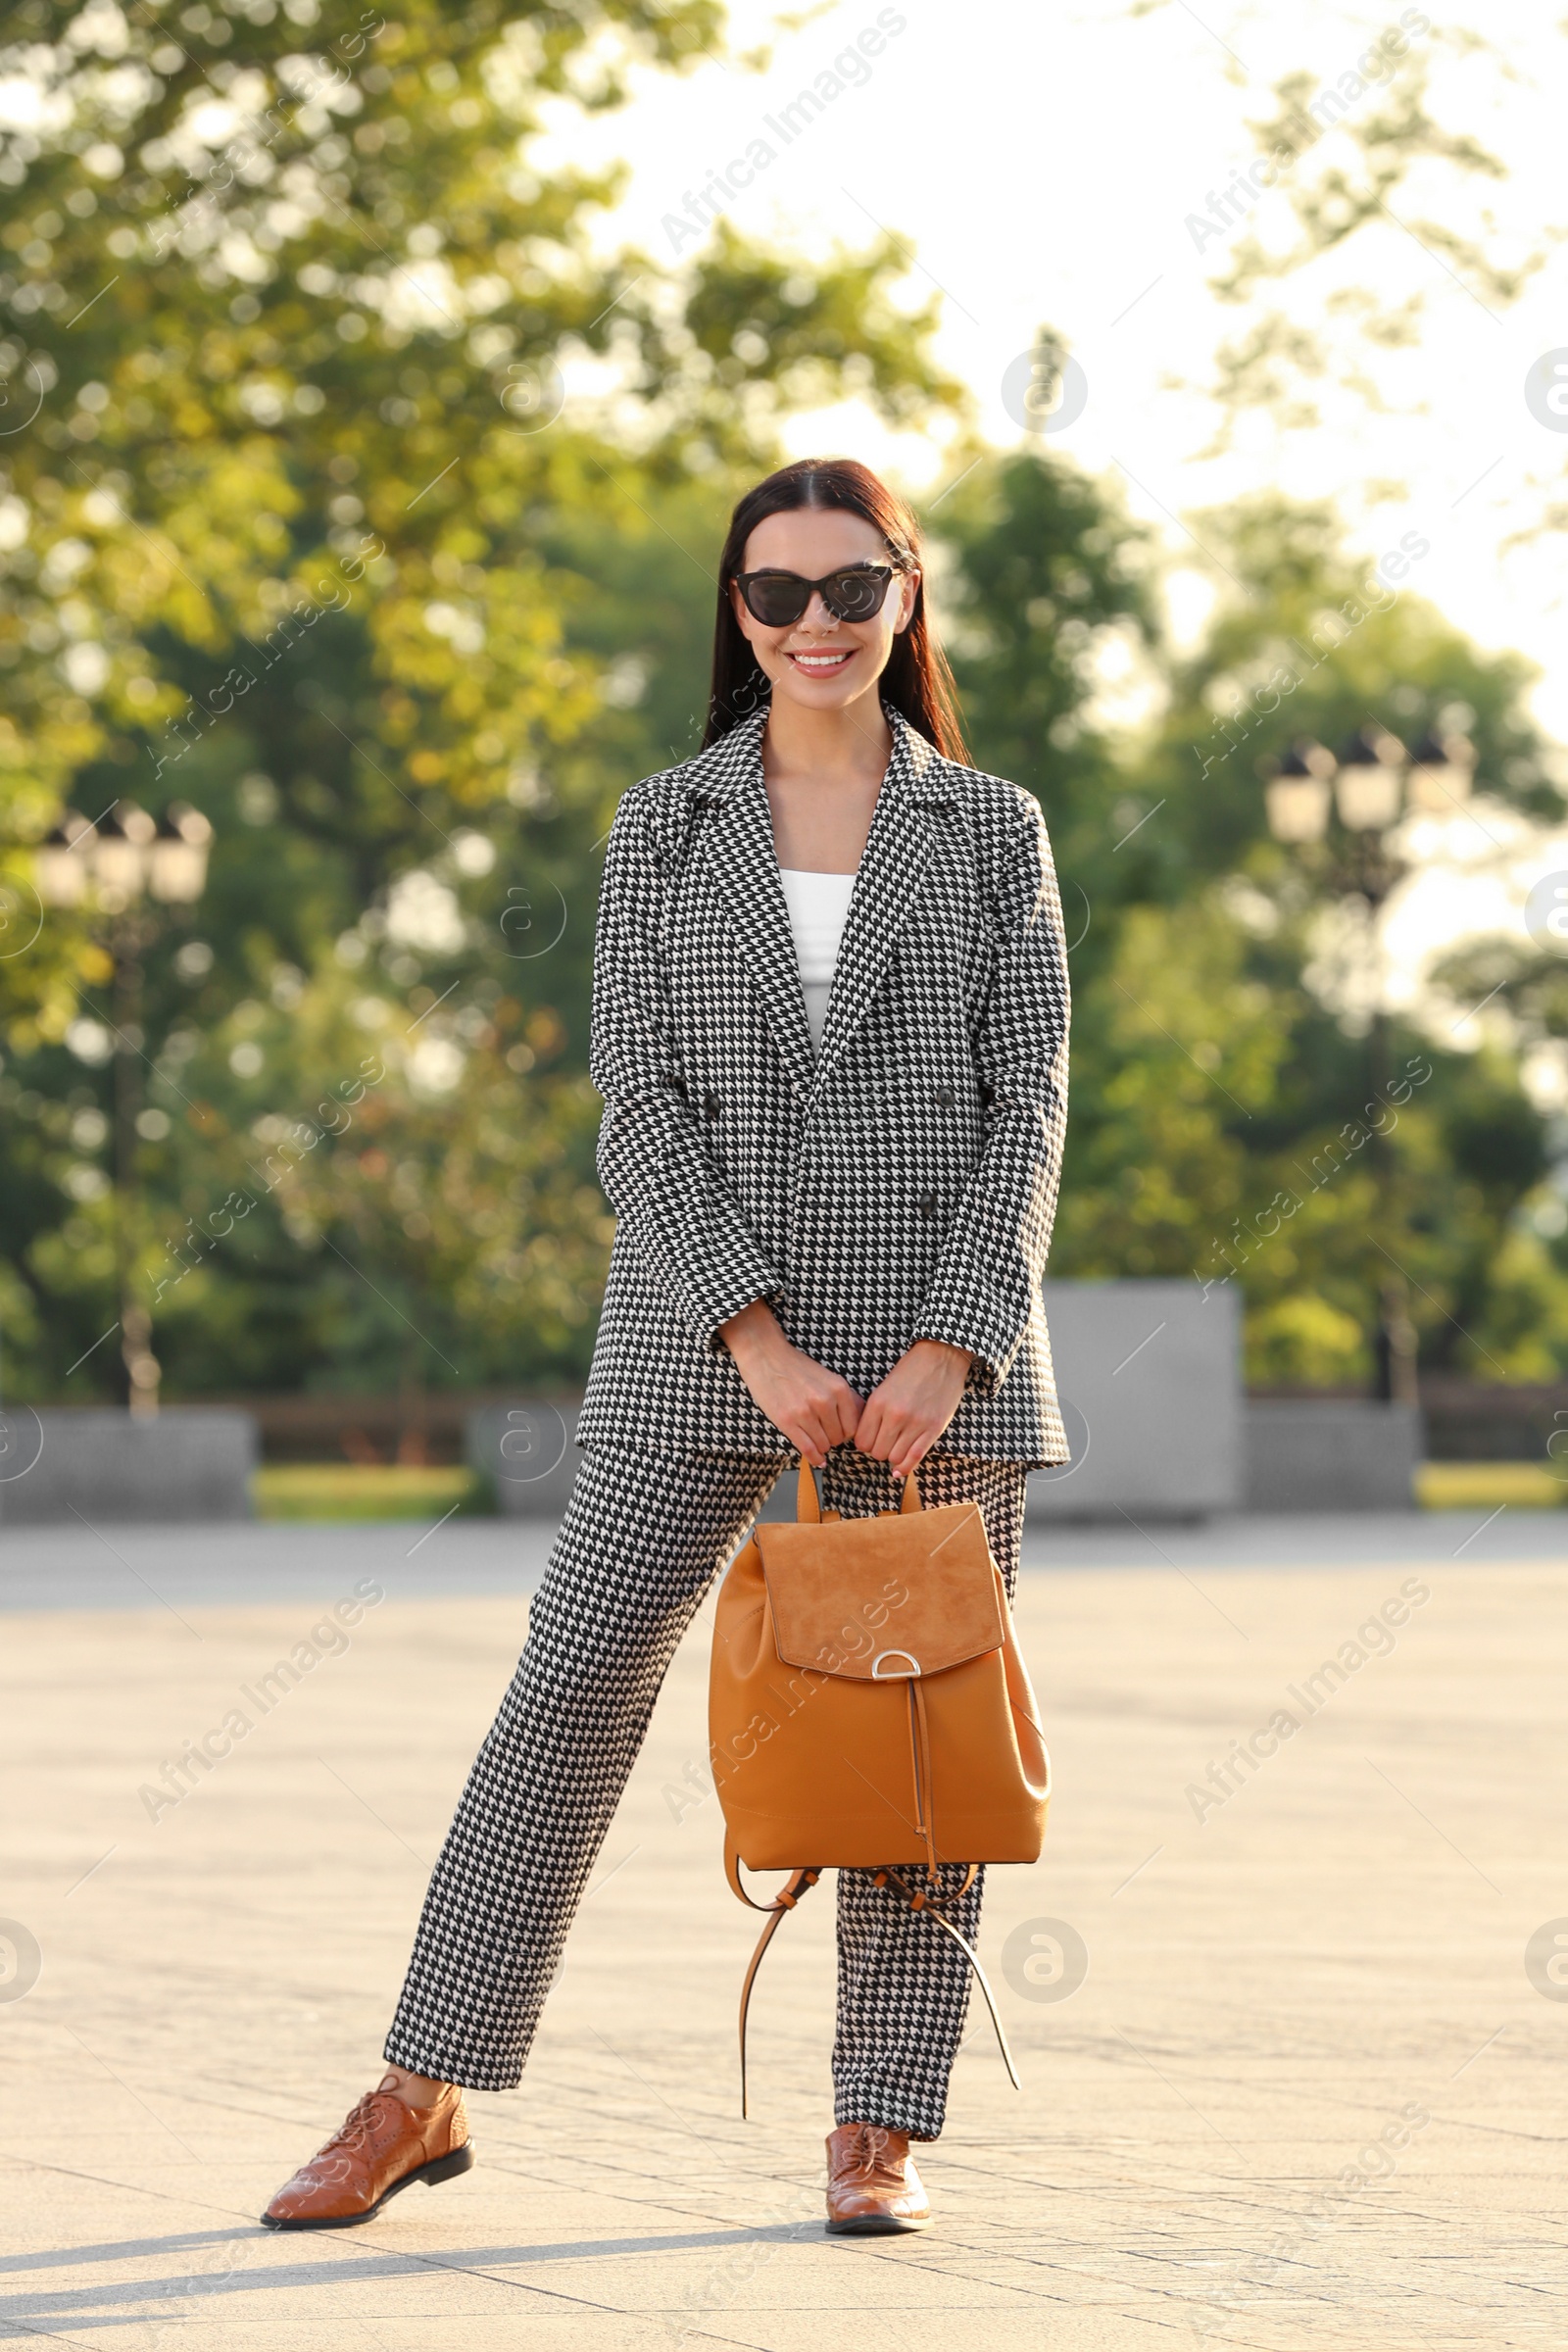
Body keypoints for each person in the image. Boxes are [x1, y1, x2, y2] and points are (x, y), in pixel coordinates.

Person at [262, 456, 1071, 2237]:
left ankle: (881, 2123)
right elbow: (638, 1106)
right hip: (698, 1350)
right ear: (738, 615)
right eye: (775, 595)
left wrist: (951, 1341)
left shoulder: (995, 830)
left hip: (940, 1371)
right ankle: (423, 2084)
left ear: (907, 596)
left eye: (850, 589)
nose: (814, 626)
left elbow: (1031, 1105)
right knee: (568, 1696)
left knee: (916, 1740)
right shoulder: (661, 825)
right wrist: (758, 1341)